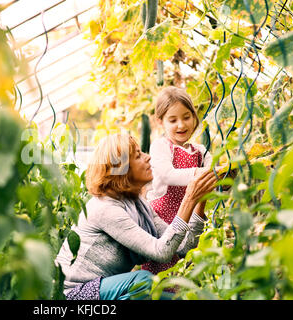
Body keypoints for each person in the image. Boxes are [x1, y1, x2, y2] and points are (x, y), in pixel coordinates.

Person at [55, 133, 217, 300]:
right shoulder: (105, 208)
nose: (148, 158)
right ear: (121, 168)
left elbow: (184, 247)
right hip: (73, 294)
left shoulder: (137, 204)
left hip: (104, 289)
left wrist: (200, 198)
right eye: (138, 155)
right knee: (143, 282)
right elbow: (161, 252)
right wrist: (189, 199)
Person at [142, 86, 213, 276]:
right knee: (163, 270)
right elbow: (167, 174)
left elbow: (214, 175)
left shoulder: (200, 150)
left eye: (186, 117)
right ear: (160, 122)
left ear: (194, 116)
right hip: (161, 218)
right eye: (173, 120)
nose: (181, 125)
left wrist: (222, 174)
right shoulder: (161, 146)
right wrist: (202, 173)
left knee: (186, 269)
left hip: (189, 216)